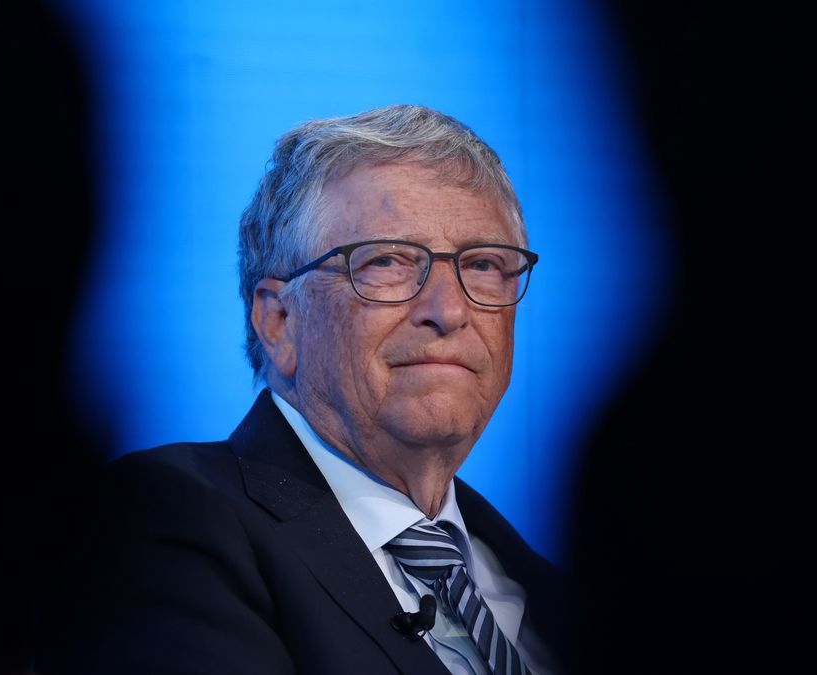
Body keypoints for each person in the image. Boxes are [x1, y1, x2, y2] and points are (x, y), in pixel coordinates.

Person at [35, 105, 563, 675]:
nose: (449, 310)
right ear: (280, 322)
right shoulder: (169, 521)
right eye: (386, 261)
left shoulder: (560, 595)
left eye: (483, 264)